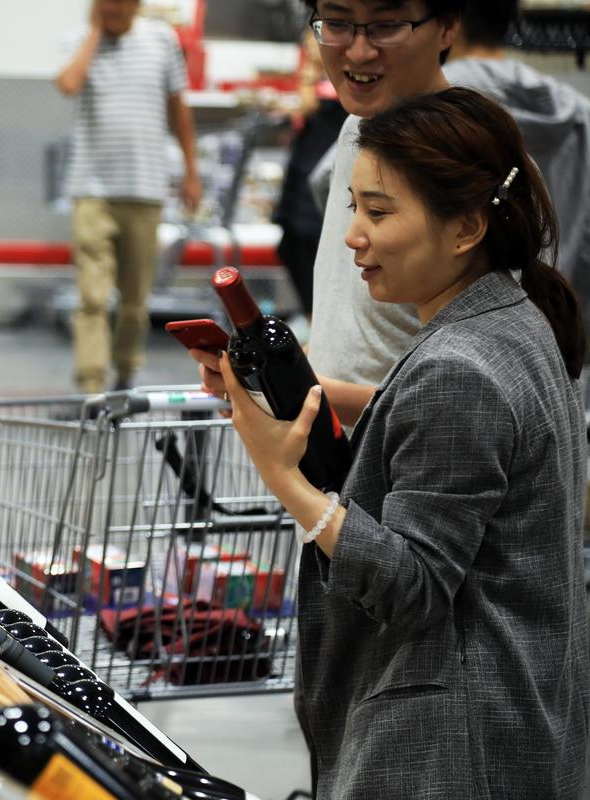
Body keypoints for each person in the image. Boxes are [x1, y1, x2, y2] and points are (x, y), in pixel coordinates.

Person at [221, 86, 589, 799]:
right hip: (516, 724)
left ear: (464, 228)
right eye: (354, 207)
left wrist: (286, 480)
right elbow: (435, 435)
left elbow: (412, 586)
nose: (355, 235)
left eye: (380, 212)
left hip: (449, 750)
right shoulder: (512, 322)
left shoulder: (458, 366)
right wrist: (304, 394)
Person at [191, 0, 462, 426]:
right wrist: (276, 377)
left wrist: (292, 390)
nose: (357, 51)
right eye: (336, 23)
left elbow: (464, 400)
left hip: (410, 476)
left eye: (386, 25)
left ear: (447, 27)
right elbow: (351, 324)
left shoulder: (466, 158)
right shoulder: (355, 128)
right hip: (334, 471)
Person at [55, 0, 201, 394]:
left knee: (135, 299)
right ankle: (91, 384)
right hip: (91, 190)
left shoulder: (161, 40)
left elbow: (178, 109)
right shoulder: (78, 41)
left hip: (145, 188)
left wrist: (191, 171)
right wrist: (94, 35)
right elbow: (68, 84)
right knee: (92, 297)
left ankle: (125, 367)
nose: (113, 10)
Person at [444, 0, 590, 346]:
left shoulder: (428, 101)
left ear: (448, 22)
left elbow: (331, 179)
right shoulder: (577, 110)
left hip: (452, 329)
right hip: (556, 331)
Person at [272, 29, 347, 319]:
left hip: (317, 183)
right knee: (291, 246)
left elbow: (311, 105)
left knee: (311, 250)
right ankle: (312, 316)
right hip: (303, 179)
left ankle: (317, 317)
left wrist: (308, 76)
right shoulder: (320, 80)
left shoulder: (342, 82)